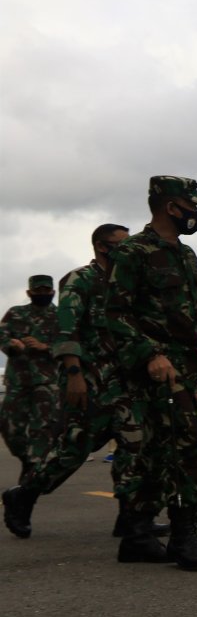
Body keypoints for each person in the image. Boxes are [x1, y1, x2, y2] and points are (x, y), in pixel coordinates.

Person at [105, 176, 197, 569]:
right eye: (192, 205)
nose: (196, 213)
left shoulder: (185, 256)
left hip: (183, 368)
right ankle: (184, 535)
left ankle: (136, 534)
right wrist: (151, 354)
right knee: (187, 448)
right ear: (172, 207)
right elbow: (115, 313)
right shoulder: (134, 252)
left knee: (157, 452)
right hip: (153, 371)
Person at [2, 225, 169, 540]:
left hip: (123, 379)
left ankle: (131, 518)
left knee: (134, 441)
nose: (129, 249)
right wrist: (74, 374)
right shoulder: (79, 280)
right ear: (101, 247)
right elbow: (67, 330)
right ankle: (23, 494)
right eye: (121, 244)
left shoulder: (129, 282)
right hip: (88, 377)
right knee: (74, 449)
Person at [0, 275, 61, 538]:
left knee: (43, 434)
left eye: (47, 289)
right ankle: (29, 462)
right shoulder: (16, 313)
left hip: (48, 385)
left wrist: (46, 347)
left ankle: (25, 494)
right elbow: (1, 335)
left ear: (53, 291)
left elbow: (74, 343)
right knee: (10, 429)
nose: (43, 293)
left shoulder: (61, 317)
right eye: (38, 290)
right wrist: (11, 344)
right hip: (18, 382)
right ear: (29, 291)